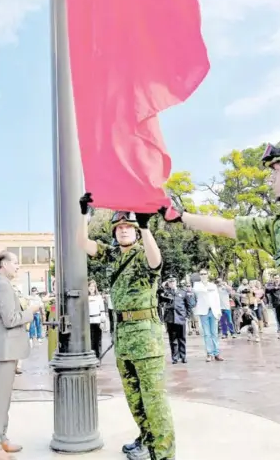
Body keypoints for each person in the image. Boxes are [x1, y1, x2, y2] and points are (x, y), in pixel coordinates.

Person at [77, 194, 175, 460]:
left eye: (128, 227)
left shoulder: (144, 254)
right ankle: (146, 439)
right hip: (122, 337)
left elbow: (156, 262)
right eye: (119, 227)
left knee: (154, 400)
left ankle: (164, 454)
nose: (123, 230)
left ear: (135, 231)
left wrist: (145, 228)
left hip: (146, 337)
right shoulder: (112, 256)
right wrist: (85, 216)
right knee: (135, 399)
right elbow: (82, 243)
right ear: (114, 231)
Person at [158, 142, 280, 311]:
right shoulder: (274, 227)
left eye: (276, 170)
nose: (271, 178)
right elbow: (225, 227)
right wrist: (180, 216)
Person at [0, 251, 40, 460]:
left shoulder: (1, 284)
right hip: (2, 351)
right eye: (15, 263)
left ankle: (0, 439)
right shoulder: (2, 286)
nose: (18, 266)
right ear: (4, 264)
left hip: (5, 350)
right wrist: (31, 310)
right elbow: (10, 319)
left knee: (3, 399)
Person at [160, 276, 193, 364]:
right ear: (168, 283)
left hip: (181, 317)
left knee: (182, 338)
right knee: (172, 339)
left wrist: (187, 315)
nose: (172, 283)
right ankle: (175, 357)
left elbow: (188, 305)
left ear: (176, 282)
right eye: (170, 282)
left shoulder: (183, 292)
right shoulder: (165, 293)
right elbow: (160, 299)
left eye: (173, 282)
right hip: (170, 319)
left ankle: (183, 356)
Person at [193, 270, 223, 362]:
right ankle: (209, 353)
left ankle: (216, 353)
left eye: (205, 274)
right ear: (199, 276)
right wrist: (207, 289)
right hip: (203, 312)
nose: (203, 275)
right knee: (207, 334)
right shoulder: (197, 285)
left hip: (213, 311)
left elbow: (216, 298)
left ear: (208, 275)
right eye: (201, 274)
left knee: (214, 333)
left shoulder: (212, 285)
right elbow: (198, 291)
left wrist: (219, 311)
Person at [88, 280, 106, 359]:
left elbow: (102, 310)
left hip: (97, 321)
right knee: (90, 341)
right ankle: (91, 357)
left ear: (95, 288)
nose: (91, 288)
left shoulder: (99, 297)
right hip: (89, 321)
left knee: (97, 341)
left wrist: (102, 321)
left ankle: (98, 358)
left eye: (93, 286)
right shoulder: (86, 297)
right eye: (90, 286)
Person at [266, 274, 280, 339]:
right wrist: (274, 288)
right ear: (273, 279)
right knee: (278, 318)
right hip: (276, 304)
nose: (277, 279)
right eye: (275, 278)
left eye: (278, 278)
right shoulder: (271, 285)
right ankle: (279, 331)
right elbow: (267, 290)